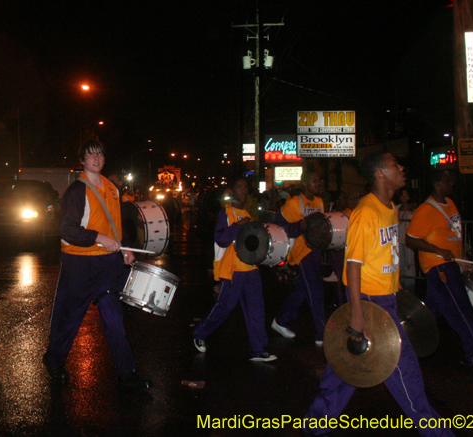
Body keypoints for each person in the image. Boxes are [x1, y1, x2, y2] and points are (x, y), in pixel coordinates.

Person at [302, 152, 454, 437]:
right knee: (406, 376)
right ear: (380, 174)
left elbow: (382, 256)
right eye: (396, 164)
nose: (402, 168)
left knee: (347, 367)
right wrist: (357, 315)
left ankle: (315, 423)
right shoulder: (365, 212)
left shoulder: (390, 207)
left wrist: (396, 287)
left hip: (386, 300)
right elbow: (354, 266)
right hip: (371, 305)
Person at [43, 140, 151, 389]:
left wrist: (123, 248)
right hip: (79, 263)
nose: (96, 158)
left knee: (114, 319)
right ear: (82, 160)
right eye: (90, 154)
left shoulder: (113, 188)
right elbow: (67, 230)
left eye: (100, 154)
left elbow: (116, 223)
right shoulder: (76, 191)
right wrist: (99, 238)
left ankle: (127, 374)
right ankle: (55, 360)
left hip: (108, 264)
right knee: (69, 318)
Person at [192, 177, 276, 362]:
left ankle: (257, 350)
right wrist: (237, 227)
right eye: (239, 187)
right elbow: (221, 239)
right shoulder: (226, 213)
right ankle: (199, 333)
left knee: (256, 309)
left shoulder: (247, 214)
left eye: (246, 188)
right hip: (232, 270)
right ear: (232, 191)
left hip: (250, 269)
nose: (244, 191)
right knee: (225, 306)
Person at [406, 171, 473, 366]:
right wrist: (439, 250)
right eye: (446, 180)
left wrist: (463, 258)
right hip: (439, 267)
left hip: (449, 264)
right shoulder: (426, 210)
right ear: (437, 185)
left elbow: (454, 235)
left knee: (426, 312)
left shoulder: (450, 204)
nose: (451, 183)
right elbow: (410, 238)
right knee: (461, 310)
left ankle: (404, 347)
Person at [271, 171, 327, 346]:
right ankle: (321, 333)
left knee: (304, 289)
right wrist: (298, 227)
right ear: (304, 184)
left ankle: (281, 321)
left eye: (319, 180)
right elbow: (280, 227)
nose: (318, 183)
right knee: (315, 291)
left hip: (314, 250)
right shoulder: (294, 204)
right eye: (314, 180)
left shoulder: (319, 202)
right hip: (302, 253)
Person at [395, 187, 417, 293]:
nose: (404, 197)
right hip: (399, 240)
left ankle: (410, 287)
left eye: (406, 195)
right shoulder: (396, 209)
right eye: (402, 195)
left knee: (409, 263)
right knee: (400, 263)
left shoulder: (413, 209)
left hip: (408, 240)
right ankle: (402, 287)